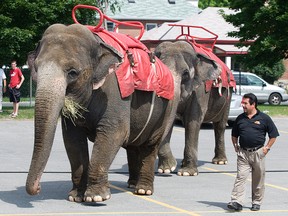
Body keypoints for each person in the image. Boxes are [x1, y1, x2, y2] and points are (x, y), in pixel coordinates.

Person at [227, 93, 279, 211]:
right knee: (241, 176)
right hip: (243, 153)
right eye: (243, 103)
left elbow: (273, 135)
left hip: (258, 153)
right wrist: (235, 145)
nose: (243, 105)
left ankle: (256, 202)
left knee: (258, 178)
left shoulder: (264, 118)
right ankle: (236, 202)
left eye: (245, 103)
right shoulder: (240, 118)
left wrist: (267, 148)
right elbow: (234, 134)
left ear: (253, 104)